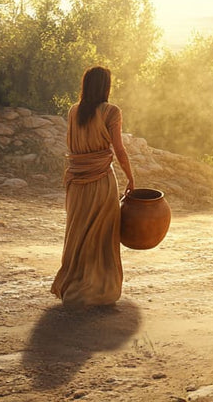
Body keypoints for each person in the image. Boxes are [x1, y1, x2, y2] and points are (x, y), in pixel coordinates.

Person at [51, 66, 134, 308]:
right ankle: (99, 290)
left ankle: (74, 286)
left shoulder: (74, 111)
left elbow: (73, 147)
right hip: (100, 182)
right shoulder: (111, 112)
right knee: (102, 234)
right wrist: (131, 177)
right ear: (105, 86)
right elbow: (119, 150)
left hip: (76, 182)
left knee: (78, 234)